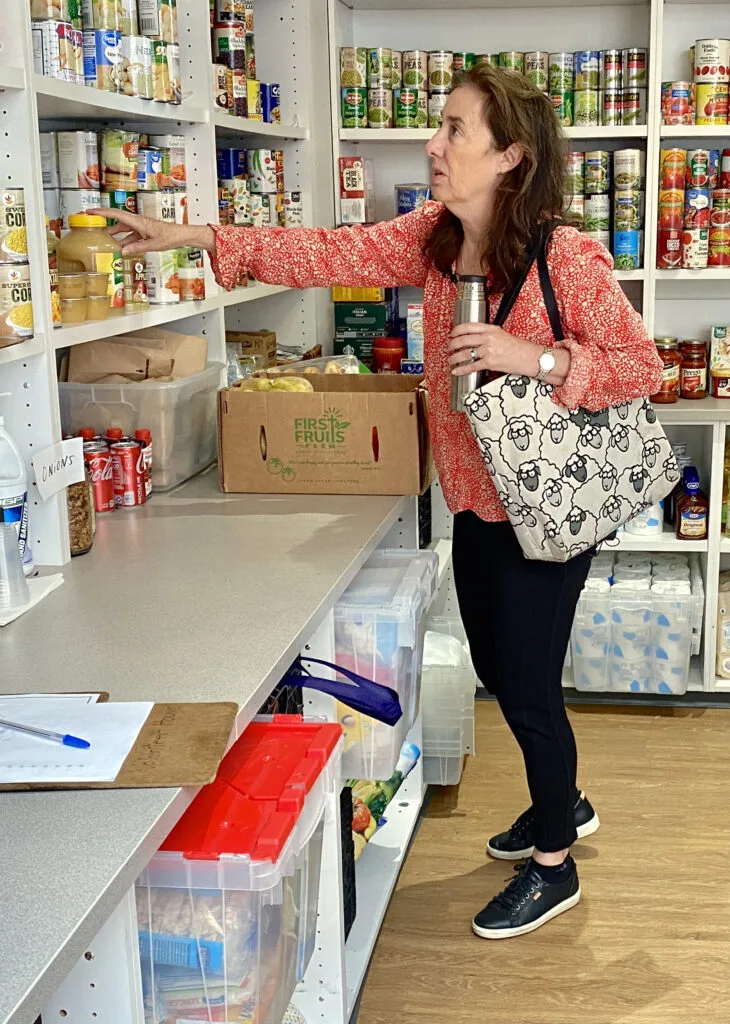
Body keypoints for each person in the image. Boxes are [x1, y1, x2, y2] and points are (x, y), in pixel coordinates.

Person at [92, 64, 662, 940]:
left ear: (510, 156)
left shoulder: (567, 255)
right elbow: (325, 251)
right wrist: (192, 230)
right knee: (502, 672)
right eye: (438, 128)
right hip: (474, 501)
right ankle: (567, 802)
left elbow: (641, 368)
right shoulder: (435, 241)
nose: (433, 146)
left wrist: (534, 358)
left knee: (530, 691)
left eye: (455, 132)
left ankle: (554, 865)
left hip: (547, 511)